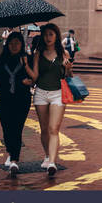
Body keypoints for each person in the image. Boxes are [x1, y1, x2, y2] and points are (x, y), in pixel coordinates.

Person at [0, 32, 33, 177]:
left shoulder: (26, 59)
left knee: (17, 128)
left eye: (17, 43)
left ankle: (14, 160)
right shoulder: (0, 60)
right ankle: (11, 152)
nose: (14, 46)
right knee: (7, 129)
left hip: (22, 99)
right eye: (11, 43)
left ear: (22, 44)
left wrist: (30, 81)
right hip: (4, 99)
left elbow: (34, 77)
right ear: (7, 44)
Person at [25, 22, 72, 177]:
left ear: (56, 36)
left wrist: (67, 67)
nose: (48, 38)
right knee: (44, 129)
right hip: (40, 93)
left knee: (53, 129)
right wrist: (26, 66)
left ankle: (52, 162)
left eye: (51, 34)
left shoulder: (63, 53)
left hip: (58, 93)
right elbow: (36, 76)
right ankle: (47, 155)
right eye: (45, 35)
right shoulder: (38, 53)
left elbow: (68, 76)